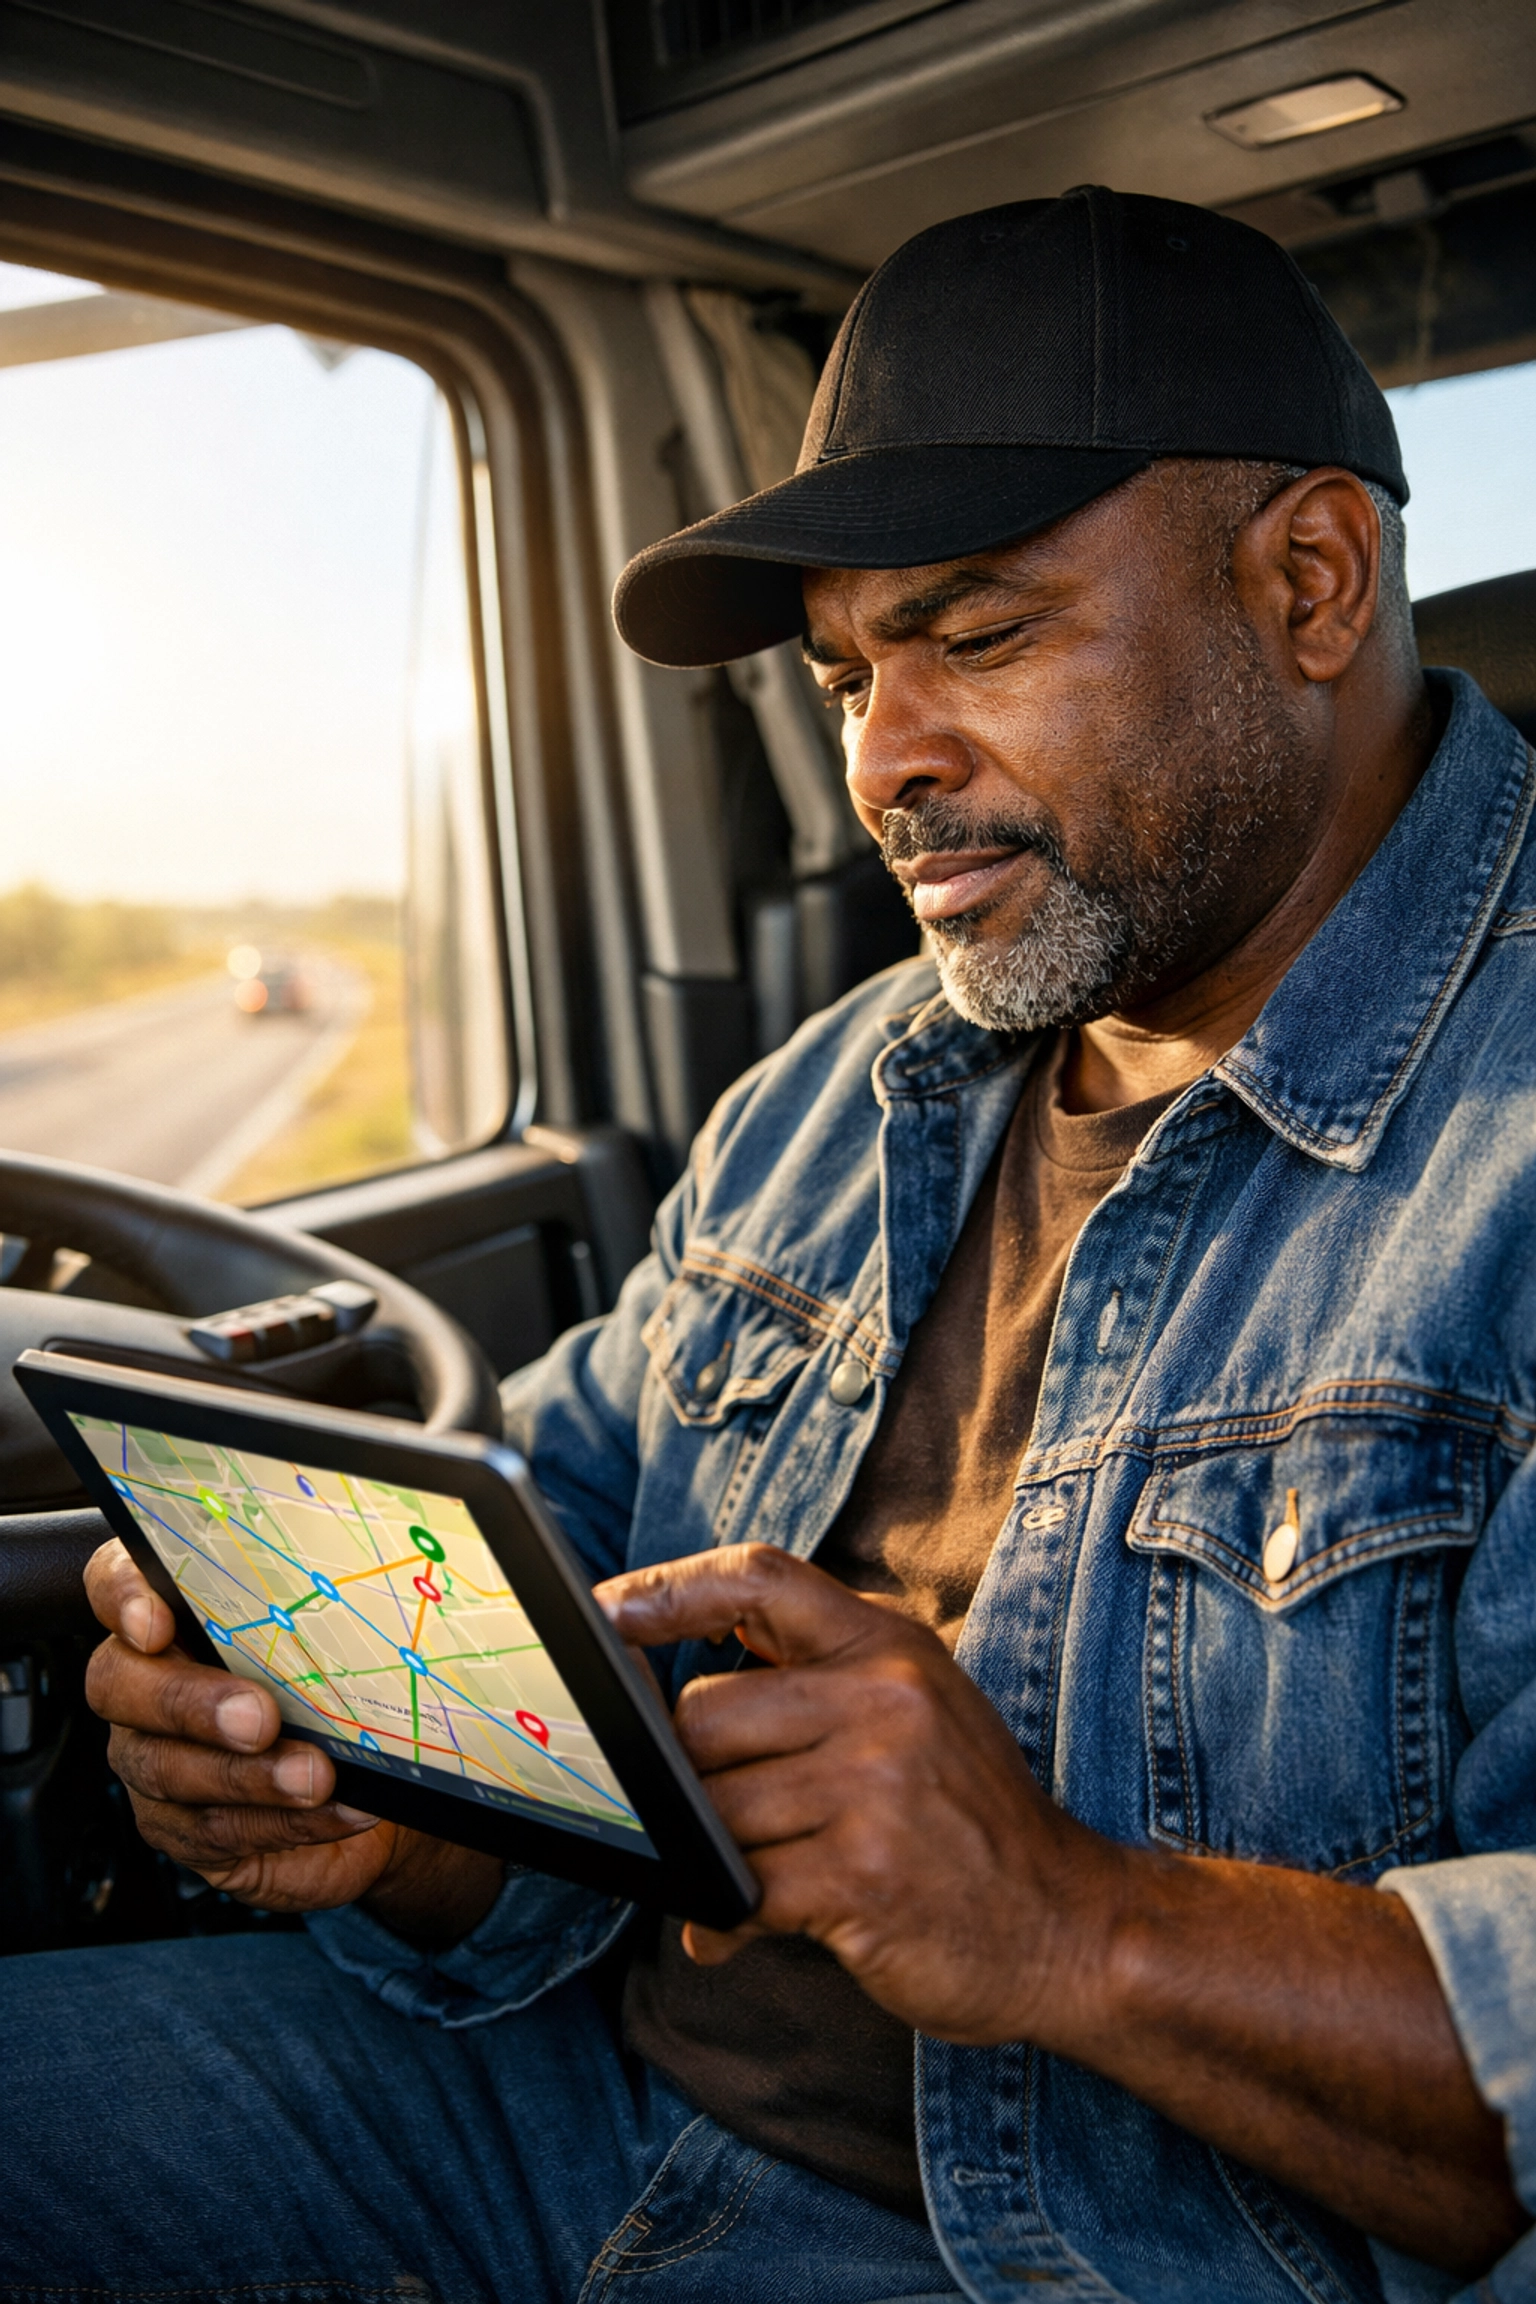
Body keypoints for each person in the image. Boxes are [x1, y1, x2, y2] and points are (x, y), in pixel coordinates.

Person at [6, 186, 1534, 2304]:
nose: (885, 768)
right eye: (844, 681)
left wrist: (1068, 1919)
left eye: (979, 637)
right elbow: (558, 1685)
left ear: (1309, 581)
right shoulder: (839, 1099)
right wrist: (385, 1812)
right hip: (556, 2107)